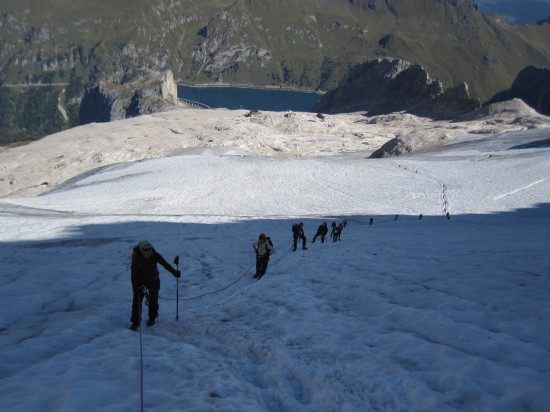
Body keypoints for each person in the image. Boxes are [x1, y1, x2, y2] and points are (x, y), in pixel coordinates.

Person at [130, 240, 181, 331]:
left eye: (149, 248)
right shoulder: (137, 259)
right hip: (140, 282)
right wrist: (135, 287)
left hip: (153, 280)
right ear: (141, 250)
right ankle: (136, 322)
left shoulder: (154, 255)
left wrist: (174, 272)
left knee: (153, 300)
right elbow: (133, 276)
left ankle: (152, 318)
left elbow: (165, 264)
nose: (148, 251)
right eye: (145, 249)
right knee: (137, 301)